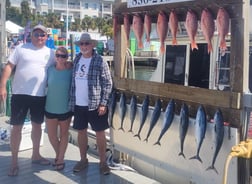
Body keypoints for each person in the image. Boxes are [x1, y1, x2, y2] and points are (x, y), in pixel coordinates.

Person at [0, 24, 55, 176]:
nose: (39, 37)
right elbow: (9, 67)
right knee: (16, 128)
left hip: (39, 96)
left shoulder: (51, 53)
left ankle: (36, 154)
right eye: (37, 34)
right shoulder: (21, 49)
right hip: (19, 95)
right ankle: (14, 161)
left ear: (46, 37)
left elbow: (60, 67)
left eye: (42, 35)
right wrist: (2, 86)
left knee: (38, 126)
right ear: (31, 36)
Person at [69, 33, 113, 175]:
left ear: (92, 45)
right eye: (81, 44)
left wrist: (103, 103)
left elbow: (108, 83)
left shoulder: (100, 61)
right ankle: (83, 159)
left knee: (100, 133)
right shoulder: (76, 59)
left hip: (95, 104)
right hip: (78, 104)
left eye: (87, 43)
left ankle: (103, 162)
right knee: (81, 132)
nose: (84, 46)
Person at [45, 47, 72, 171]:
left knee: (64, 134)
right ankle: (59, 154)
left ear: (67, 57)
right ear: (55, 56)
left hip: (65, 109)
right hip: (50, 107)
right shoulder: (49, 70)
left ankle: (60, 159)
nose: (60, 58)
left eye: (63, 56)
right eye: (58, 55)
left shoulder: (71, 70)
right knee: (51, 135)